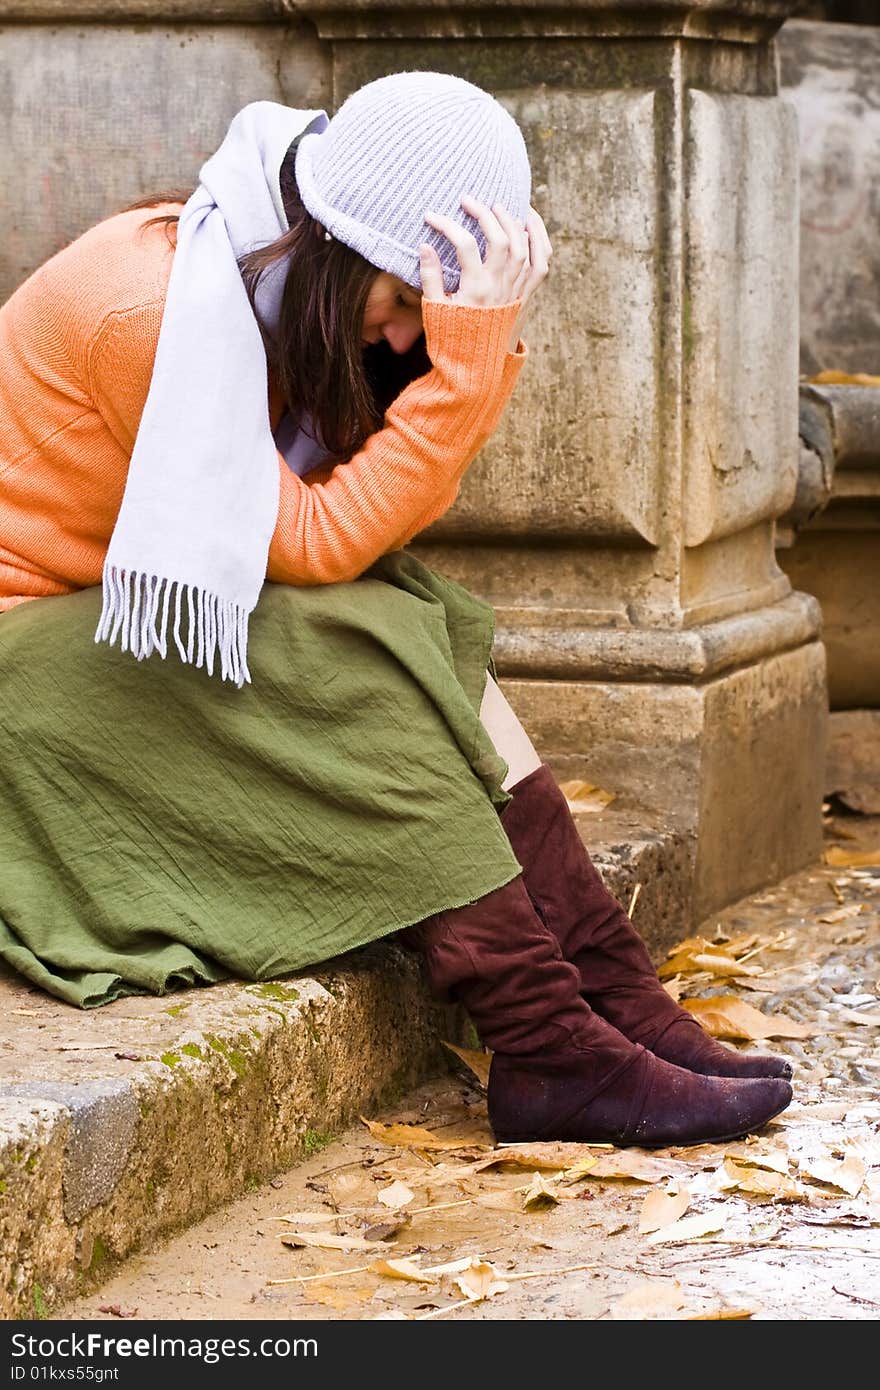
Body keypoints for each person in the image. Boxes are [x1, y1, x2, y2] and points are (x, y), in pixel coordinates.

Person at [0, 71, 792, 1149]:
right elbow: (319, 546)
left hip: (99, 618)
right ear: (338, 246)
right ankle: (551, 1042)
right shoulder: (153, 313)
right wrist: (464, 381)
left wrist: (474, 347)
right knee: (354, 632)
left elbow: (364, 536)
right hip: (21, 665)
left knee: (405, 606)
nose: (415, 338)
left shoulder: (262, 273)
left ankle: (609, 993)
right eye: (413, 301)